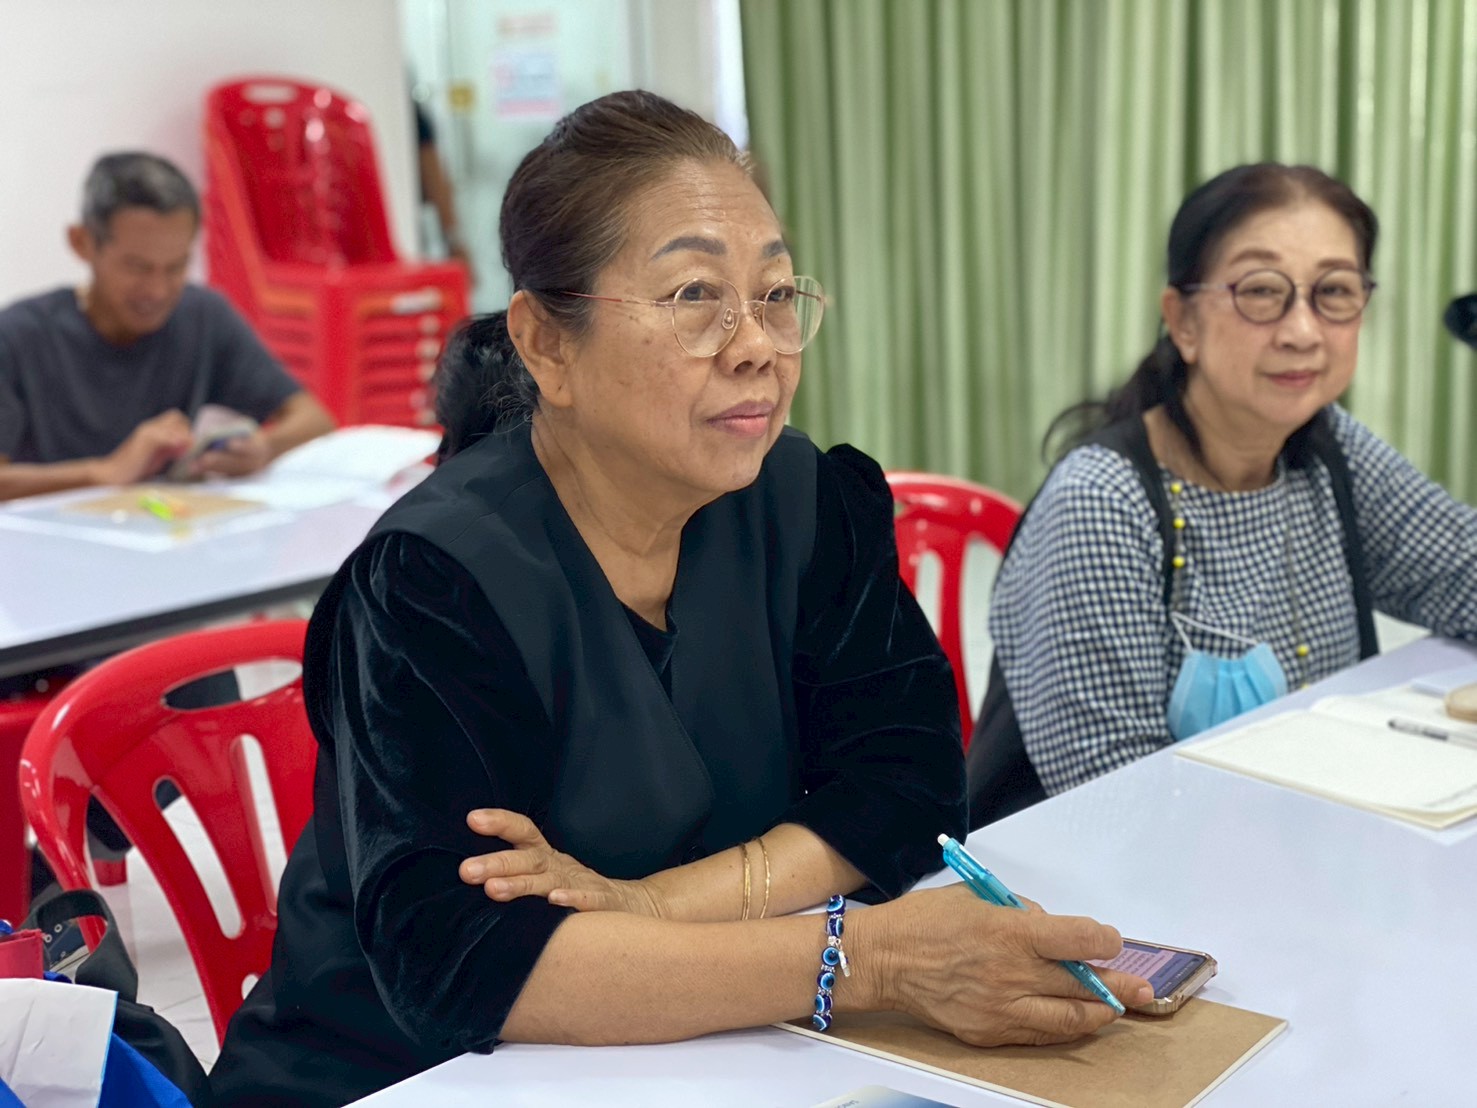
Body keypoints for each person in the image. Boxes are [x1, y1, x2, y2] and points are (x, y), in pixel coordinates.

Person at [209, 90, 1150, 1106]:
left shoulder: (804, 502)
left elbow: (904, 789)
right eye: (695, 295)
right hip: (401, 1079)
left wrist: (648, 908)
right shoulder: (434, 585)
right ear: (547, 345)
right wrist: (867, 960)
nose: (757, 345)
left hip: (702, 1059)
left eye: (776, 294)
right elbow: (466, 962)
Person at [969, 162, 1477, 825]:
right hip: (1114, 870)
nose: (1302, 331)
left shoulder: (1330, 451)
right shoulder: (1102, 502)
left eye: (1333, 291)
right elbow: (1113, 804)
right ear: (1182, 321)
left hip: (1312, 836)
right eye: (1261, 291)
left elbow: (1465, 575)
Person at [0, 151, 336, 504]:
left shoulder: (202, 316)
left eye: (176, 267)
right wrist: (102, 472)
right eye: (137, 267)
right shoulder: (18, 337)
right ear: (82, 243)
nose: (158, 291)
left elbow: (313, 418)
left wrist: (264, 447)